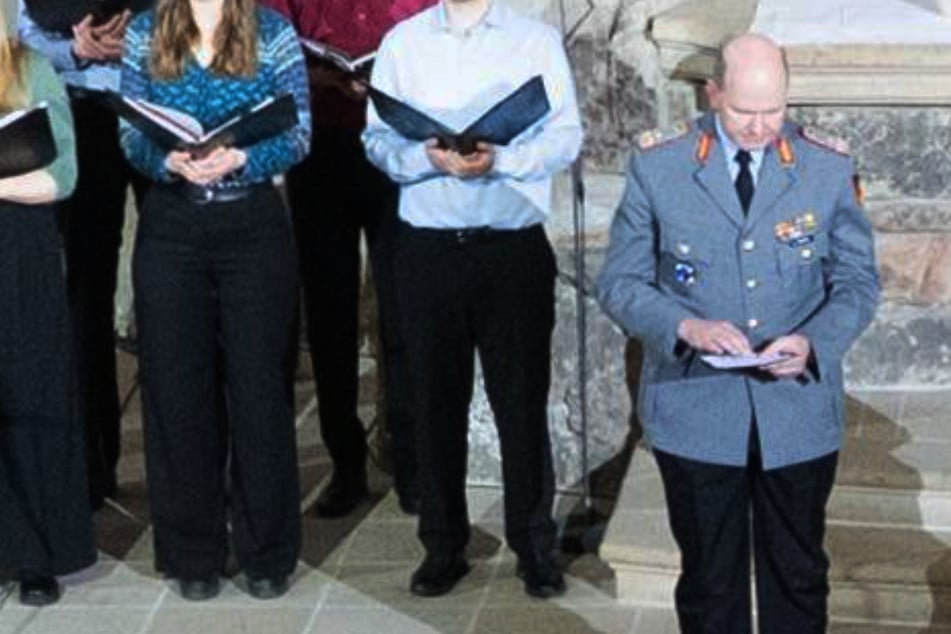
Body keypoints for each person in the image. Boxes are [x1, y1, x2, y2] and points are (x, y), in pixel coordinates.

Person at [597, 33, 879, 633]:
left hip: (795, 410)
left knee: (797, 575)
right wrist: (685, 325)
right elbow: (619, 284)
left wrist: (814, 343)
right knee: (710, 580)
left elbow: (857, 282)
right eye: (743, 112)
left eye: (773, 111)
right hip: (697, 409)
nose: (758, 127)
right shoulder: (659, 166)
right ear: (713, 92)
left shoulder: (827, 168)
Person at [363, 0, 583, 599]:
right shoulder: (404, 41)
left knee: (521, 401)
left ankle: (534, 544)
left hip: (509, 247)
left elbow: (566, 135)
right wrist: (425, 158)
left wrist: (503, 158)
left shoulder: (534, 40)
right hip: (427, 250)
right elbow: (377, 141)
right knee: (434, 401)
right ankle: (442, 545)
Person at [118, 0, 311, 601]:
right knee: (177, 389)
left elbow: (300, 129)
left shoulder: (272, 31)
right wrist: (166, 158)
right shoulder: (147, 31)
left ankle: (267, 552)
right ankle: (192, 553)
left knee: (258, 388)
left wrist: (244, 156)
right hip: (172, 226)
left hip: (251, 223)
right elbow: (129, 132)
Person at [259, 0, 437, 519]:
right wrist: (321, 75)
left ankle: (408, 458)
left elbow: (440, 44)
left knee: (403, 310)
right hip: (322, 146)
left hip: (397, 147)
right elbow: (271, 45)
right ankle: (346, 462)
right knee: (329, 311)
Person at [18, 0, 151, 511]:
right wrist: (75, 47)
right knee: (85, 293)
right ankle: (95, 462)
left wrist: (138, 42)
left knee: (169, 289)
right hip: (82, 115)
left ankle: (181, 463)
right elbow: (22, 37)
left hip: (156, 108)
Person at [0, 0, 96, 606]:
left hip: (18, 251)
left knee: (27, 395)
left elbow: (64, 175)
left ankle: (36, 555)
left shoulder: (30, 68)